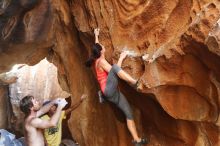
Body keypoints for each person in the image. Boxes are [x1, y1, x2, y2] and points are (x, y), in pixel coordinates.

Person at [85, 28, 148, 146]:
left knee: (128, 113)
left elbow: (96, 46)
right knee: (114, 68)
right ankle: (135, 82)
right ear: (101, 51)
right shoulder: (101, 62)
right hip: (108, 90)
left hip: (112, 94)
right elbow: (114, 71)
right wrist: (121, 58)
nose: (104, 46)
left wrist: (96, 35)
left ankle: (137, 141)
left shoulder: (97, 58)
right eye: (102, 46)